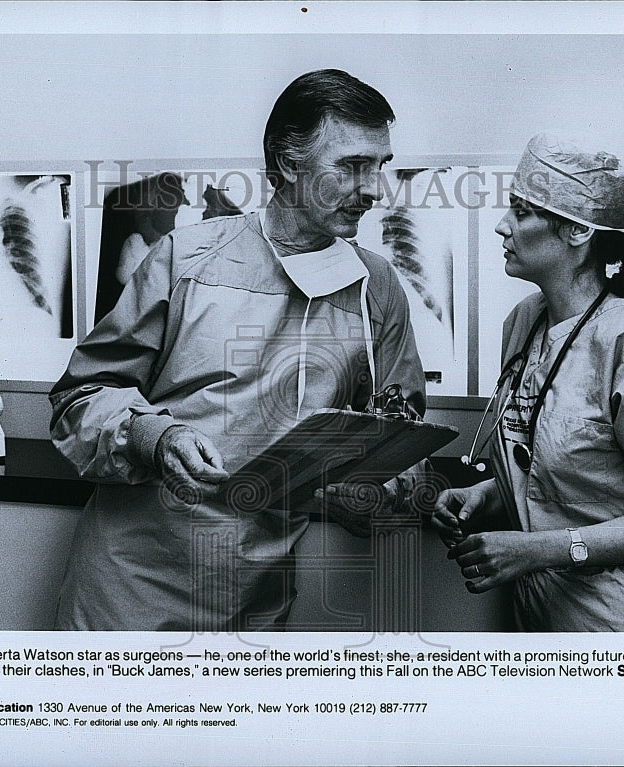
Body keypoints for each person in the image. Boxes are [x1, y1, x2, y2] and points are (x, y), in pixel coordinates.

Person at [49, 69, 426, 631]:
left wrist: (388, 483)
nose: (374, 190)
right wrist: (156, 435)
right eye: (351, 167)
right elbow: (80, 396)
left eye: (380, 167)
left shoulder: (376, 288)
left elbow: (399, 427)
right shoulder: (186, 259)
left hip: (256, 597)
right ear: (287, 163)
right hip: (135, 590)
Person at [434, 133, 624, 632]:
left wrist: (541, 550)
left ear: (578, 234)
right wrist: (488, 495)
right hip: (542, 617)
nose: (502, 226)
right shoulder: (523, 323)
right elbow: (561, 472)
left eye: (521, 212)